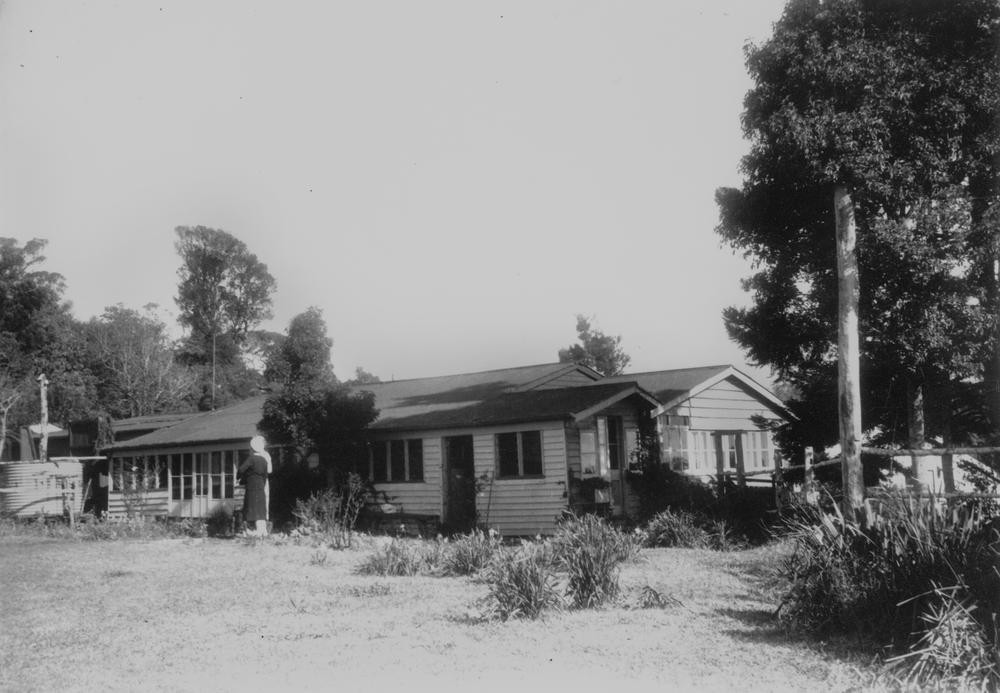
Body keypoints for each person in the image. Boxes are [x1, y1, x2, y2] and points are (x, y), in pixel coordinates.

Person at [238, 435, 272, 536]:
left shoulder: (253, 458)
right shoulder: (265, 458)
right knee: (261, 507)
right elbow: (267, 472)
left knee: (253, 507)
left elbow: (241, 469)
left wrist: (242, 476)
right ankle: (262, 530)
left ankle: (256, 530)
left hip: (254, 485)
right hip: (262, 483)